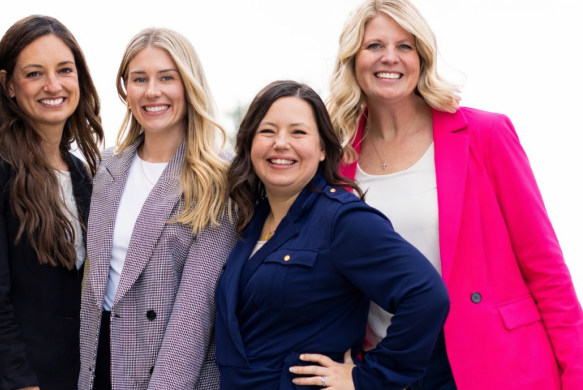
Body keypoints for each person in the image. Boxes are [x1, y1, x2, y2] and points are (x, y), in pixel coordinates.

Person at [326, 0, 583, 389]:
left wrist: (577, 376)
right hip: (390, 368)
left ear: (422, 58)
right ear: (352, 58)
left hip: (495, 363)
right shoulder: (336, 161)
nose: (390, 58)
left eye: (405, 46)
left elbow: (547, 270)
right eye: (374, 45)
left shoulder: (485, 135)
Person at [215, 80, 449, 390]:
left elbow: (426, 296)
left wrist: (369, 380)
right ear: (249, 144)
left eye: (298, 132)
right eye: (268, 131)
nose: (281, 143)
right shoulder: (247, 221)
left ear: (323, 149)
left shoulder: (343, 219)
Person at [78, 27, 236, 390]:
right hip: (100, 359)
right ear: (125, 88)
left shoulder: (217, 178)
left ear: (189, 85)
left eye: (167, 77)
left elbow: (195, 310)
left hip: (173, 370)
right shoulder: (105, 169)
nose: (152, 91)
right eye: (139, 79)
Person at [0, 15, 102, 390]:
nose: (53, 85)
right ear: (8, 85)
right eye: (34, 73)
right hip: (3, 378)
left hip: (68, 376)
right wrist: (22, 383)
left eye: (64, 70)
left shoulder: (83, 174)